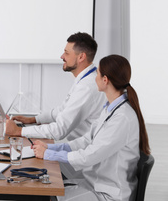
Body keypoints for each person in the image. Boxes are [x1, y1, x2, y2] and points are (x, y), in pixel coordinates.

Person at [33, 54, 150, 201]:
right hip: (95, 183)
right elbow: (86, 141)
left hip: (109, 194)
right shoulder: (110, 108)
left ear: (105, 80)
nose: (95, 77)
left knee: (50, 196)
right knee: (46, 186)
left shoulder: (123, 118)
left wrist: (49, 154)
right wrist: (51, 149)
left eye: (98, 73)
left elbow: (89, 156)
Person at [6, 32, 106, 141]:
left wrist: (19, 131)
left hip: (77, 150)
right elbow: (62, 110)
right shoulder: (85, 79)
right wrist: (34, 119)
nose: (62, 56)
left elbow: (59, 129)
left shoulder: (87, 87)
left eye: (66, 53)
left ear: (81, 57)